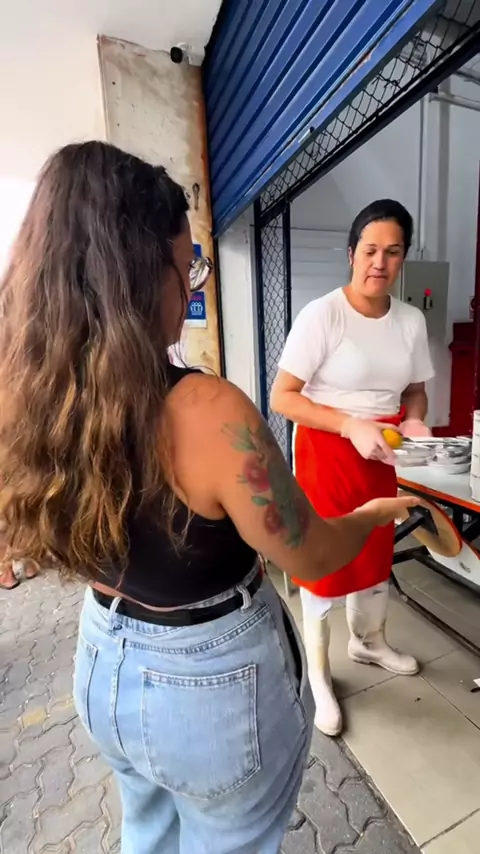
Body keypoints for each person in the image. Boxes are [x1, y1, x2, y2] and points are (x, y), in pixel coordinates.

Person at [0, 148, 419, 854]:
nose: (189, 292)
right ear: (139, 274)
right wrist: (372, 518)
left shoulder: (27, 391)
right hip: (208, 686)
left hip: (101, 657)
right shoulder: (207, 411)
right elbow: (310, 553)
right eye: (187, 269)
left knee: (149, 831)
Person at [271, 199, 434, 739]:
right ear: (351, 254)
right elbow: (283, 397)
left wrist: (414, 419)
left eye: (393, 252)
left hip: (381, 453)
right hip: (327, 454)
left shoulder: (410, 321)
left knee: (374, 551)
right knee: (326, 560)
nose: (379, 263)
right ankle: (319, 673)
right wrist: (348, 424)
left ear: (404, 257)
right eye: (370, 250)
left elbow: (414, 390)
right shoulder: (323, 315)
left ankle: (368, 641)